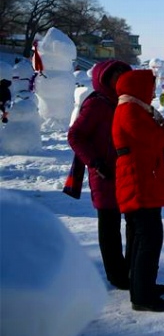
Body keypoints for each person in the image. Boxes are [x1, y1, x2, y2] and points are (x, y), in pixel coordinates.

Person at [113, 69, 164, 312]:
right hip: (138, 182)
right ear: (138, 88)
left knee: (142, 237)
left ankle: (142, 285)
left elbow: (151, 138)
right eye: (150, 87)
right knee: (149, 238)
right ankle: (141, 295)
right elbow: (155, 140)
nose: (153, 92)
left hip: (143, 179)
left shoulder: (136, 109)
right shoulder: (130, 110)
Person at [67, 59, 133, 289]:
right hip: (103, 173)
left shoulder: (125, 101)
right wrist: (95, 162)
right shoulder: (96, 103)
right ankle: (116, 274)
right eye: (116, 76)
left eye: (123, 76)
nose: (120, 80)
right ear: (105, 78)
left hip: (127, 171)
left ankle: (132, 267)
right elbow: (75, 136)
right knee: (109, 225)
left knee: (133, 222)